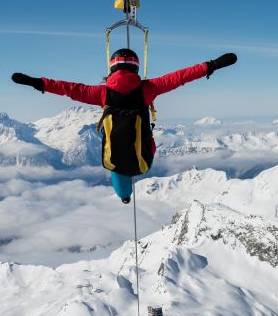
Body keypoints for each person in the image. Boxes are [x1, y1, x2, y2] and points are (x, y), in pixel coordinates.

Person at [12, 49, 237, 203]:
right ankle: (127, 188)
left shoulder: (102, 93)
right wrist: (211, 65)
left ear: (112, 68)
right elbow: (179, 77)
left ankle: (124, 195)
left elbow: (69, 88)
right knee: (144, 141)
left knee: (117, 159)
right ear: (136, 68)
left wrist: (38, 83)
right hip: (143, 161)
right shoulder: (149, 89)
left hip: (114, 158)